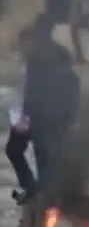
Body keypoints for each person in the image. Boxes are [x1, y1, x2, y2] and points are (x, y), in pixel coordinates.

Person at [10, 17, 78, 204]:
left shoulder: (40, 55)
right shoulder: (59, 53)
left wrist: (26, 114)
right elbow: (73, 83)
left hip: (40, 114)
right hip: (51, 114)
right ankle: (38, 191)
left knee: (27, 151)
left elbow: (34, 88)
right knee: (41, 155)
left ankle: (38, 193)